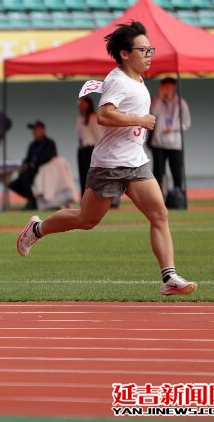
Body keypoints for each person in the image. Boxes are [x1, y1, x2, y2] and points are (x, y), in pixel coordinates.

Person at [16, 21, 197, 297]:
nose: (149, 54)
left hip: (136, 162)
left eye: (150, 49)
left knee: (159, 214)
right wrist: (139, 120)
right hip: (109, 164)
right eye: (143, 50)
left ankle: (169, 276)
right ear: (125, 54)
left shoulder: (137, 79)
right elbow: (103, 115)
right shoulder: (117, 80)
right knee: (86, 220)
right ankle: (37, 229)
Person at [150, 77, 191, 196]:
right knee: (158, 172)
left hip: (175, 143)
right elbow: (152, 114)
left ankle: (178, 197)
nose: (167, 89)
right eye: (164, 86)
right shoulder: (157, 101)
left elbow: (187, 123)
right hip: (158, 143)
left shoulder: (181, 103)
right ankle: (158, 197)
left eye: (169, 86)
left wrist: (174, 128)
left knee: (177, 172)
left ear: (173, 87)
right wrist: (159, 97)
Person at [9, 121, 58, 210]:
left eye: (36, 130)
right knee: (14, 183)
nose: (34, 132)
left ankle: (32, 202)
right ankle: (32, 200)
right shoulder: (32, 145)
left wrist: (35, 163)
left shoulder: (49, 143)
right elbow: (28, 158)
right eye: (33, 130)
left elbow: (50, 157)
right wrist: (24, 164)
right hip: (31, 171)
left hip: (44, 171)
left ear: (43, 130)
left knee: (24, 177)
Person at [75, 96, 102, 195]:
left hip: (91, 150)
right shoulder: (80, 118)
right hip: (82, 149)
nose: (80, 105)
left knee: (91, 175)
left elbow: (98, 136)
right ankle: (84, 196)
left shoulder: (92, 118)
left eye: (82, 103)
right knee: (83, 175)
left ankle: (92, 196)